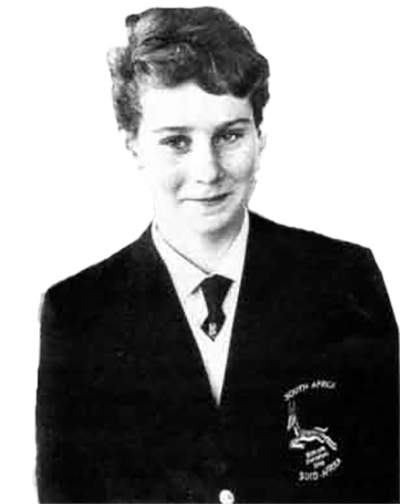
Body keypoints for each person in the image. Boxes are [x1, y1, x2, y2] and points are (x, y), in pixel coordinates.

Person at [36, 7, 399, 503]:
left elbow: (385, 480)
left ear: (260, 138)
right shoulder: (77, 313)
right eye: (176, 141)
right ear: (133, 147)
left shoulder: (345, 280)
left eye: (230, 135)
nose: (207, 171)